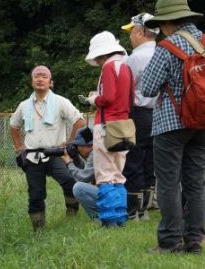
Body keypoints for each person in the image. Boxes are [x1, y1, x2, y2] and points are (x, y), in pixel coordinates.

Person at [141, 0, 205, 254]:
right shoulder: (204, 40)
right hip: (201, 122)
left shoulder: (166, 46)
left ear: (168, 22)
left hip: (171, 123)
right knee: (197, 182)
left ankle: (169, 242)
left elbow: (147, 88)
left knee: (168, 183)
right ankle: (194, 241)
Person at [10, 65, 86, 232]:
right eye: (37, 76)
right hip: (32, 156)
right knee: (35, 195)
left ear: (50, 82)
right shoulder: (24, 105)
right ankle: (38, 230)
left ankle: (72, 213)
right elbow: (14, 127)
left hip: (56, 153)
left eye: (44, 76)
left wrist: (69, 142)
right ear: (32, 82)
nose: (40, 78)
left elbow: (80, 122)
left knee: (69, 180)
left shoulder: (61, 102)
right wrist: (18, 147)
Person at [84, 31, 134, 227]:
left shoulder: (108, 68)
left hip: (106, 125)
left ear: (102, 54)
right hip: (123, 126)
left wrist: (93, 99)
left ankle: (109, 220)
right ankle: (120, 217)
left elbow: (108, 98)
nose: (96, 61)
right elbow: (130, 99)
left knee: (104, 175)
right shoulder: (126, 67)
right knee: (118, 174)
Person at [121, 13, 160, 220]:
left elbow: (128, 89)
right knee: (150, 162)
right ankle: (145, 210)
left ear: (141, 32)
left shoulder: (134, 57)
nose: (130, 37)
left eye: (132, 32)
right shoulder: (162, 52)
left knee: (133, 160)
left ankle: (133, 212)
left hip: (139, 113)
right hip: (159, 114)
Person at [61, 127, 97, 219]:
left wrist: (69, 162)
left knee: (78, 188)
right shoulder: (100, 151)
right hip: (116, 194)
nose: (77, 150)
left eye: (78, 146)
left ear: (89, 146)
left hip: (111, 195)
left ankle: (97, 218)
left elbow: (82, 178)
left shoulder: (94, 154)